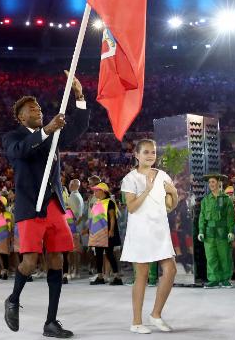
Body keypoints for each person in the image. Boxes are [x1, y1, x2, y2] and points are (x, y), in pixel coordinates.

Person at [2, 73, 89, 339]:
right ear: (21, 117)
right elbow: (20, 152)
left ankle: (51, 322)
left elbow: (77, 130)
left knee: (56, 260)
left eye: (39, 107)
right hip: (30, 206)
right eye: (32, 109)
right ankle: (13, 299)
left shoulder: (52, 135)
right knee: (29, 261)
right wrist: (46, 130)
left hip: (54, 205)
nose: (38, 110)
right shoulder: (12, 136)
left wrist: (80, 97)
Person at [120, 139, 179, 334]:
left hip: (160, 230)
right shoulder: (130, 178)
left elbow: (170, 205)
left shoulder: (163, 175)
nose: (150, 155)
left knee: (170, 270)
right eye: (146, 152)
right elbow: (131, 207)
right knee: (142, 275)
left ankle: (156, 314)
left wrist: (174, 192)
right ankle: (136, 322)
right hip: (140, 232)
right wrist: (146, 189)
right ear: (136, 155)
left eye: (153, 152)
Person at [198, 174, 235, 289]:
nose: (211, 185)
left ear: (219, 183)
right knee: (211, 256)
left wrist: (231, 231)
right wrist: (201, 231)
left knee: (224, 256)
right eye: (209, 182)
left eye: (213, 182)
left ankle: (225, 279)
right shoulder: (205, 200)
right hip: (209, 232)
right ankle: (213, 279)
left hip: (222, 231)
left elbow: (230, 216)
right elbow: (202, 216)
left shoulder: (226, 199)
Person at [87, 182, 122, 286]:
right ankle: (100, 276)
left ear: (102, 191)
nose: (95, 192)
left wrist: (111, 230)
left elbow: (112, 217)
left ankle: (117, 277)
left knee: (109, 254)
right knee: (98, 255)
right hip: (97, 233)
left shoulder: (110, 202)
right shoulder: (97, 202)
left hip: (107, 233)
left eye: (96, 190)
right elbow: (93, 218)